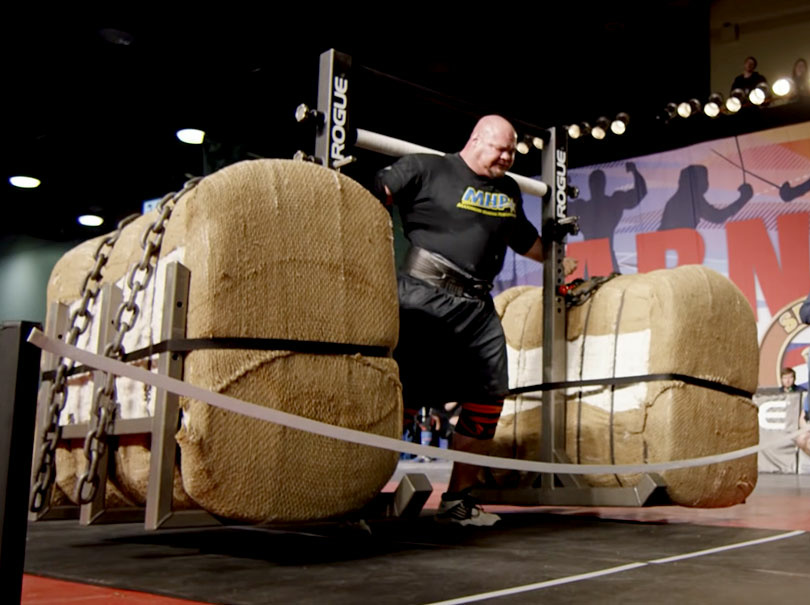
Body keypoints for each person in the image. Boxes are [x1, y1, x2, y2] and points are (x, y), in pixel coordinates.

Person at [375, 115, 576, 526]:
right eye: (499, 148)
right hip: (423, 295)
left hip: (478, 306)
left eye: (511, 151)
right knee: (405, 397)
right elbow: (371, 195)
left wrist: (557, 256)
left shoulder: (507, 190)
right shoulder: (426, 167)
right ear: (475, 140)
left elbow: (525, 241)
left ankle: (458, 502)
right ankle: (361, 495)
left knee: (488, 396)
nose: (506, 157)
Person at [567, 162, 647, 273]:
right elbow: (559, 209)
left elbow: (641, 192)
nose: (596, 185)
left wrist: (635, 172)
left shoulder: (613, 202)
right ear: (590, 184)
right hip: (589, 260)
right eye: (594, 181)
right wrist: (563, 188)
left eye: (599, 181)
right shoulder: (582, 207)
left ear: (604, 183)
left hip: (606, 257)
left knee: (614, 288)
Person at [658, 165, 753, 231]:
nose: (706, 182)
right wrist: (744, 198)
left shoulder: (677, 199)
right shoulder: (690, 197)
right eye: (704, 178)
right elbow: (717, 217)